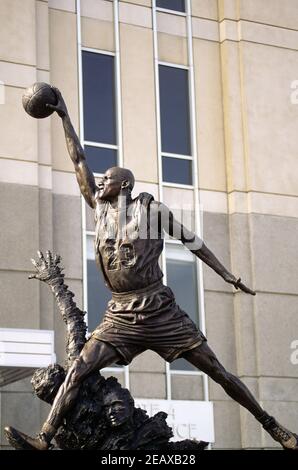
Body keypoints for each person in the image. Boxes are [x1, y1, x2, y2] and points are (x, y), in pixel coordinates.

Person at [7, 88, 297, 450]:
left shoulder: (152, 211)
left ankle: (276, 429)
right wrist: (64, 116)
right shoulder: (100, 209)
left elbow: (193, 242)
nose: (101, 181)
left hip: (160, 310)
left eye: (108, 178)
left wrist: (227, 275)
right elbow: (79, 161)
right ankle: (43, 438)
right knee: (79, 368)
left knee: (218, 373)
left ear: (124, 184)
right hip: (120, 314)